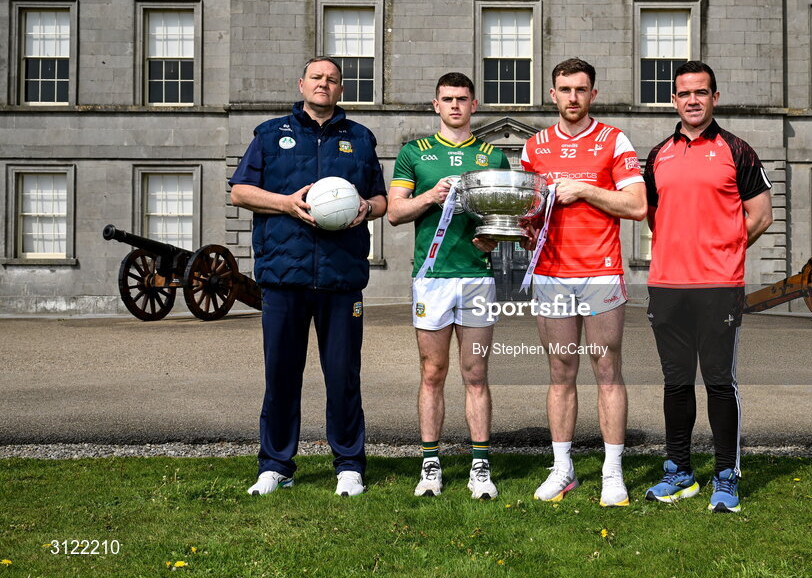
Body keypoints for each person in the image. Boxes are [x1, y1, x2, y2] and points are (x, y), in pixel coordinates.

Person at [229, 56, 388, 497]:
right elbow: (240, 191)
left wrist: (366, 209)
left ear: (341, 90)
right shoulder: (269, 134)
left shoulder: (359, 138)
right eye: (317, 77)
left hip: (341, 278)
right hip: (284, 276)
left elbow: (381, 199)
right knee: (281, 375)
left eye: (332, 79)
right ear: (302, 84)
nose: (324, 84)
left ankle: (349, 465)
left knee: (343, 375)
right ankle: (276, 464)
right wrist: (286, 203)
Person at [642, 61, 773, 513]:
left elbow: (761, 215)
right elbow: (654, 215)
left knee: (719, 384)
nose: (692, 100)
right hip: (667, 286)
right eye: (683, 93)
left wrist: (727, 247)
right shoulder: (657, 155)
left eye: (701, 92)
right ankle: (679, 473)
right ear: (674, 100)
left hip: (719, 287)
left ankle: (725, 476)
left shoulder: (738, 151)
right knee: (675, 384)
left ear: (715, 97)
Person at [520, 58, 646, 507]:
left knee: (607, 371)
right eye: (564, 89)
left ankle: (613, 473)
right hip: (551, 274)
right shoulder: (534, 147)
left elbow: (636, 205)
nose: (572, 97)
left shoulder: (614, 139)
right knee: (560, 373)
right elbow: (528, 210)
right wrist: (519, 225)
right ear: (551, 94)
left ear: (593, 93)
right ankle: (564, 469)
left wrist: (585, 189)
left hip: (600, 270)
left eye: (580, 89)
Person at [387, 72, 510, 499]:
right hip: (433, 279)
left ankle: (480, 467)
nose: (455, 105)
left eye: (462, 99)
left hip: (476, 278)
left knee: (476, 373)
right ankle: (431, 466)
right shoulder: (413, 154)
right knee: (433, 372)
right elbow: (395, 212)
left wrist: (493, 237)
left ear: (474, 105)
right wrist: (430, 197)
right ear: (435, 105)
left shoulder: (494, 157)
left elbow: (505, 220)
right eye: (447, 99)